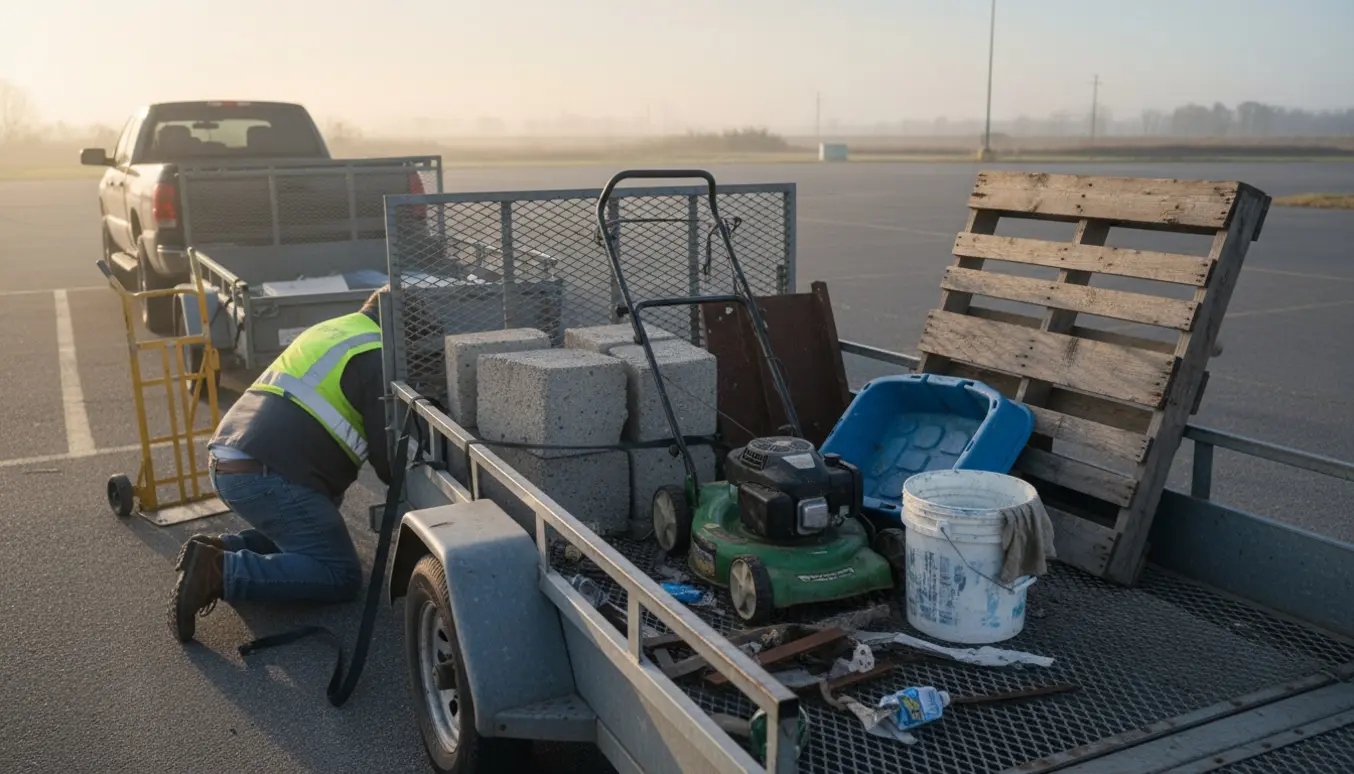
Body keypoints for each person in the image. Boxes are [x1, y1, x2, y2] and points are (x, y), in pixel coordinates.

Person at [170, 286, 393, 643]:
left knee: (309, 531)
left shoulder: (337, 329)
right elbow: (389, 461)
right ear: (403, 326)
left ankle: (222, 548)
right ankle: (220, 572)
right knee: (340, 573)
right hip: (267, 477)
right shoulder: (377, 355)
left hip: (231, 460)